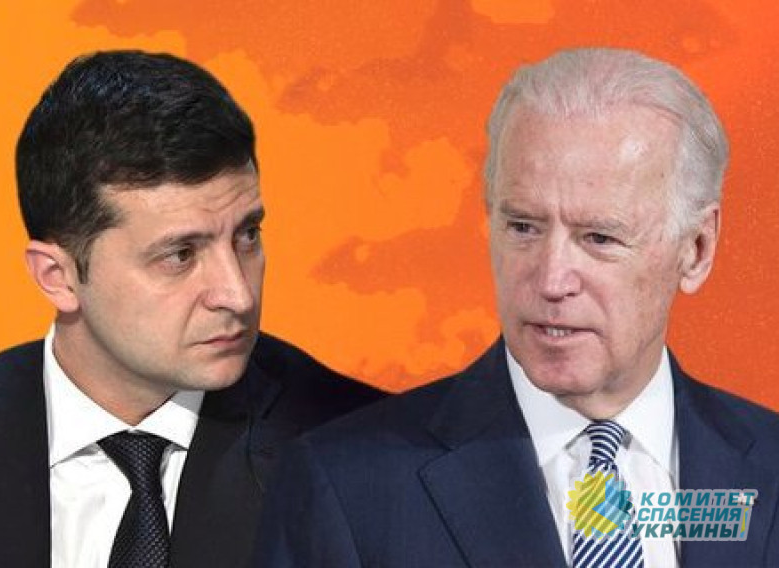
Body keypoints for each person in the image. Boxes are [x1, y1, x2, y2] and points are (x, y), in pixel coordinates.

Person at [254, 47, 779, 567]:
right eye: (523, 227)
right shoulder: (344, 487)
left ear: (696, 250)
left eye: (599, 238)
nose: (551, 281)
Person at [0, 50, 384, 567]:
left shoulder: (368, 453)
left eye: (247, 235)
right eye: (180, 255)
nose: (237, 295)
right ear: (56, 277)